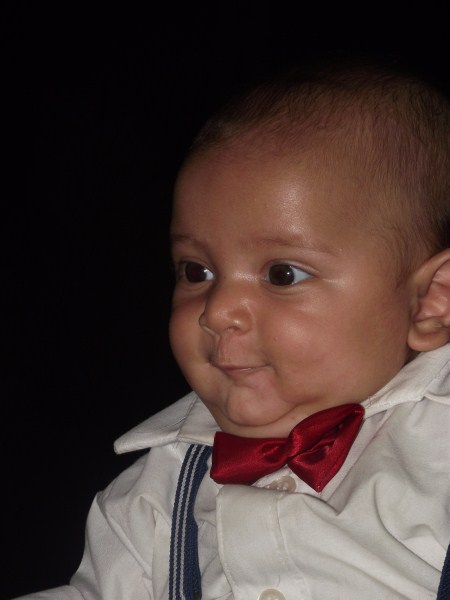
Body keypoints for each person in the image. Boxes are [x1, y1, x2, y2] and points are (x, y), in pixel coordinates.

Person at [14, 57, 450, 599]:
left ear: (431, 301)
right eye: (196, 272)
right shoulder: (153, 495)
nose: (217, 310)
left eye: (282, 274)